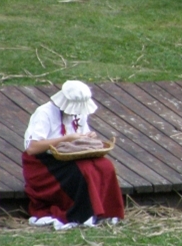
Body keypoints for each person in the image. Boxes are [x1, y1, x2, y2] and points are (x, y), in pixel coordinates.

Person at [22, 80, 124, 229]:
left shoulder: (79, 113)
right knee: (85, 171)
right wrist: (66, 139)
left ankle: (106, 212)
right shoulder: (44, 113)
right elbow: (32, 148)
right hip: (45, 162)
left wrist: (88, 137)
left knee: (105, 166)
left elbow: (80, 135)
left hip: (72, 156)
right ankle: (81, 213)